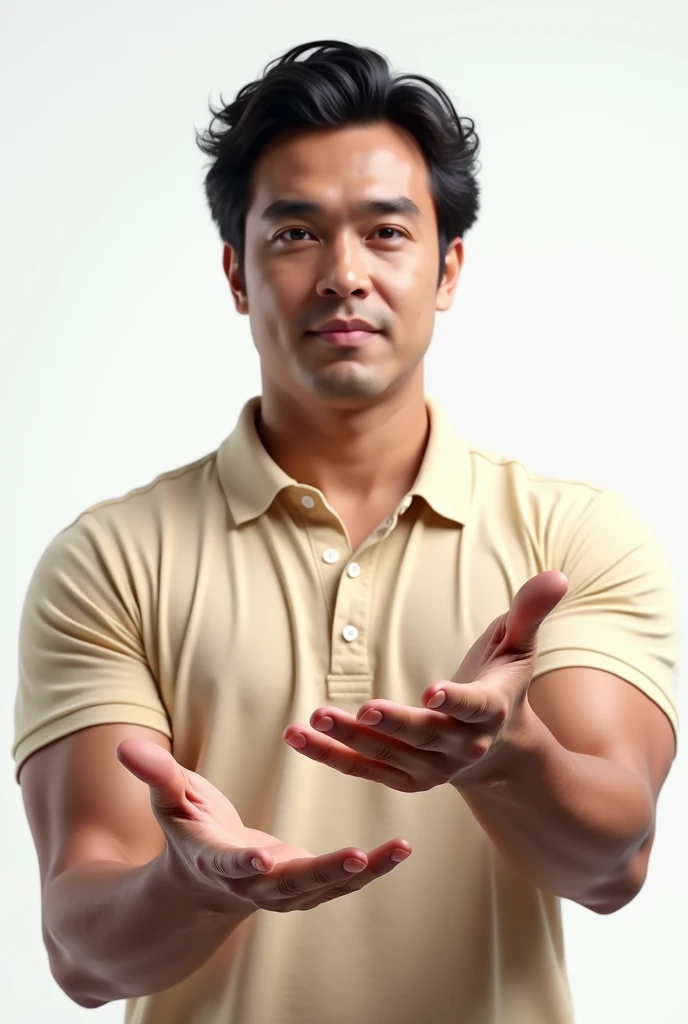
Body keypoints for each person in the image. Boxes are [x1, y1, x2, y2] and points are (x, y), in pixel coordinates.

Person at [13, 39, 678, 1024]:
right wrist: (190, 884)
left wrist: (504, 754)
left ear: (447, 267)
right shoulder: (112, 560)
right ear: (236, 273)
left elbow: (613, 863)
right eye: (294, 235)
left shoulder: (572, 539)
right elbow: (80, 949)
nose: (343, 274)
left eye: (385, 232)